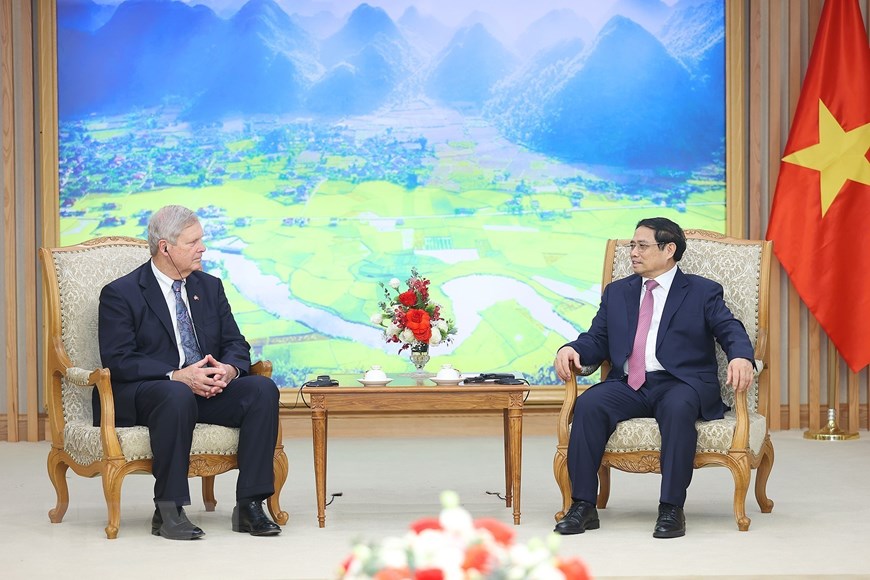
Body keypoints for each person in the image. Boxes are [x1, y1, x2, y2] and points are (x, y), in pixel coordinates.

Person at [553, 217, 754, 539]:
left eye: (642, 246)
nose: (633, 252)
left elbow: (730, 328)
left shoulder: (701, 291)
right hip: (628, 383)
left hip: (680, 382)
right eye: (632, 245)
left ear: (669, 249)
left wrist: (741, 356)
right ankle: (583, 505)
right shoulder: (618, 292)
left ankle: (671, 508)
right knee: (589, 404)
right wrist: (571, 348)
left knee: (678, 409)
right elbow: (597, 338)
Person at [97, 205, 282, 540]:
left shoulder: (209, 287)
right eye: (193, 242)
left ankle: (250, 506)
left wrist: (228, 370)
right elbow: (119, 359)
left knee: (262, 390)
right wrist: (177, 375)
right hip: (150, 392)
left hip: (203, 390)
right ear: (165, 247)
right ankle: (168, 511)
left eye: (201, 240)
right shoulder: (121, 293)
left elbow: (236, 343)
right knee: (177, 393)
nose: (203, 248)